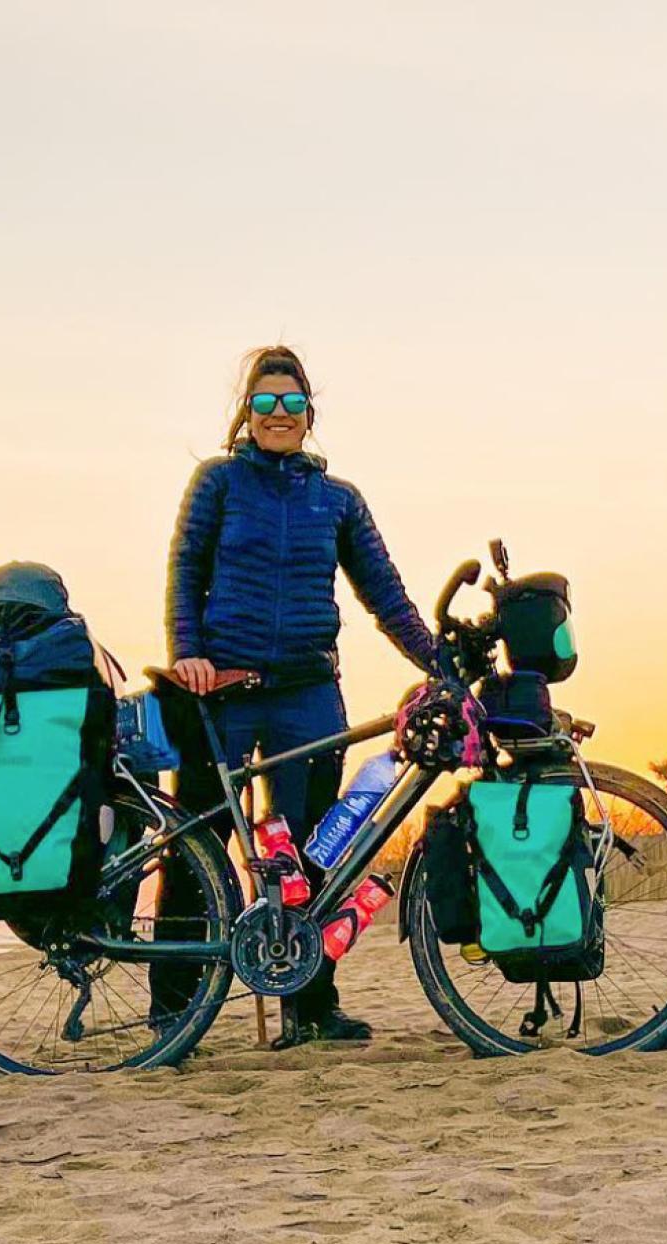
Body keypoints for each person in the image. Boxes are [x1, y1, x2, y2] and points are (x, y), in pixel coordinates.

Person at [159, 345, 437, 1044]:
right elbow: (186, 571)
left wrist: (440, 661)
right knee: (198, 845)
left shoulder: (337, 499)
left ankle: (309, 1003)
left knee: (316, 855)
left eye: (290, 403)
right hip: (221, 686)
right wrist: (187, 655)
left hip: (308, 691)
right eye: (264, 403)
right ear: (246, 415)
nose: (278, 414)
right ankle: (172, 1009)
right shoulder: (218, 483)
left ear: (309, 414)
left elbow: (385, 594)